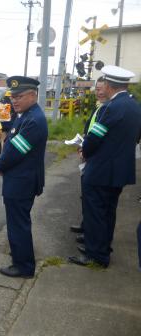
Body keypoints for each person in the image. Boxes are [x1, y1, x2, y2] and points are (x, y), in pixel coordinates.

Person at [68, 65, 141, 268]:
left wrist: (84, 151)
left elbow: (93, 139)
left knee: (95, 213)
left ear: (108, 85)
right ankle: (101, 247)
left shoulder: (110, 108)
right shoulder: (135, 106)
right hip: (120, 170)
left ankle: (96, 255)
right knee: (108, 212)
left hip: (101, 170)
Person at [0, 76, 48, 278]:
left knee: (18, 225)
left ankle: (23, 266)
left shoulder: (33, 120)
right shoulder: (25, 115)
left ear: (33, 95)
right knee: (17, 223)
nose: (14, 101)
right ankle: (19, 259)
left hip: (21, 182)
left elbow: (15, 150)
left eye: (19, 96)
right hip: (19, 180)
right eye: (12, 96)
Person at [71, 77, 107, 237]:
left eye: (101, 89)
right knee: (86, 196)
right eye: (96, 89)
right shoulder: (99, 107)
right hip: (89, 154)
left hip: (95, 157)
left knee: (94, 200)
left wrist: (86, 150)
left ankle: (91, 235)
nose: (98, 92)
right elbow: (90, 129)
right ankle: (86, 226)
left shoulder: (108, 109)